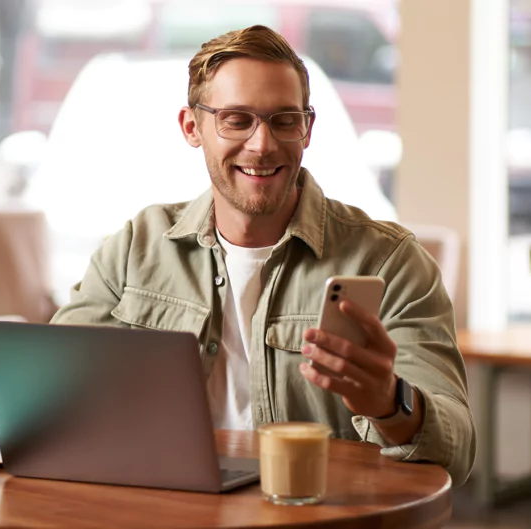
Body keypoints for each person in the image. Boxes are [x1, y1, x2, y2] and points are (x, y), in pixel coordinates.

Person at [51, 25, 476, 485]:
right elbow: (48, 398)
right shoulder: (136, 249)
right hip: (168, 506)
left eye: (284, 120)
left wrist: (391, 403)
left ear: (307, 128)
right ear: (192, 128)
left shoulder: (389, 262)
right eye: (237, 120)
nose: (262, 144)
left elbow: (457, 450)